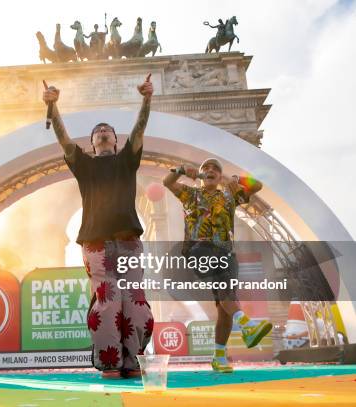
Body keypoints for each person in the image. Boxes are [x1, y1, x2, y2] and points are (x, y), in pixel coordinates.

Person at [42, 74, 155, 378]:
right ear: (91, 143)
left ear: (117, 141)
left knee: (136, 305)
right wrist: (53, 109)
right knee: (108, 302)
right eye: (97, 131)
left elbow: (140, 128)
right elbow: (64, 140)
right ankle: (109, 363)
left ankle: (132, 362)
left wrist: (146, 99)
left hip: (129, 241)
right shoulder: (84, 165)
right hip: (96, 244)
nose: (103, 132)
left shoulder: (127, 160)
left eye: (108, 130)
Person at [163, 158, 271, 373]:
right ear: (201, 175)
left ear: (220, 176)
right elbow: (168, 181)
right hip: (199, 249)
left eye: (216, 169)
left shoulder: (229, 196)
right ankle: (247, 325)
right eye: (206, 168)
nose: (210, 170)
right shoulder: (190, 194)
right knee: (225, 291)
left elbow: (257, 185)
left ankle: (219, 356)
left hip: (227, 253)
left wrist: (237, 179)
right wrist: (183, 170)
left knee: (224, 307)